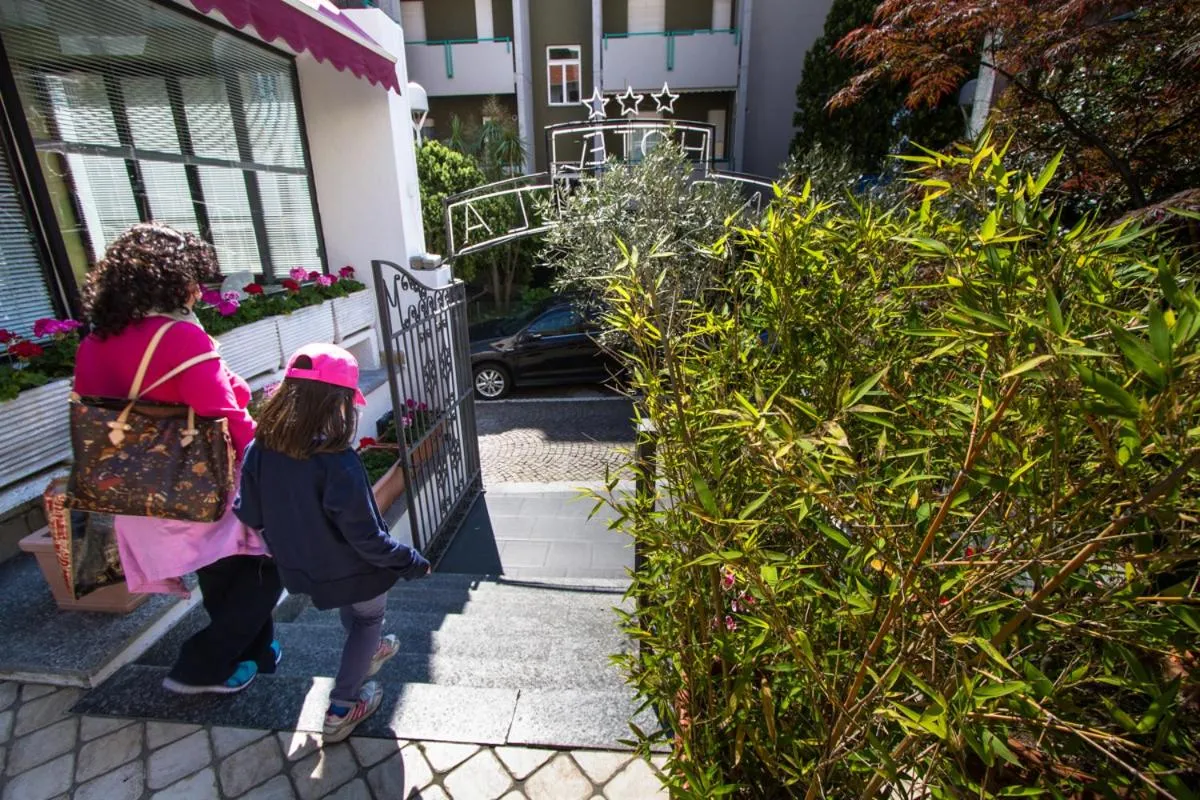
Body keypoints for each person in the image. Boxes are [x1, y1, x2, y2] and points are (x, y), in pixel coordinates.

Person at [73, 222, 282, 694]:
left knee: (221, 567)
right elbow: (222, 411)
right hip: (200, 477)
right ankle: (199, 667)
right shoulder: (180, 338)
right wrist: (269, 464)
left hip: (140, 485)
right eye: (194, 279)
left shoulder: (93, 342)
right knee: (271, 563)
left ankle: (255, 652)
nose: (199, 290)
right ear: (171, 280)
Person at [234, 343, 431, 742]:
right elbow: (367, 538)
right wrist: (411, 561)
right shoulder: (335, 459)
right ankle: (342, 708)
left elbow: (250, 514)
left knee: (357, 615)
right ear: (336, 402)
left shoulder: (260, 448)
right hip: (356, 568)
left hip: (303, 568)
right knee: (368, 619)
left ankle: (370, 652)